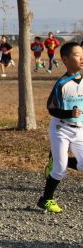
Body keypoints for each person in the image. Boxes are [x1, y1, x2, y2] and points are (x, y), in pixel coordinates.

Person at [37, 42, 82, 213]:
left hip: (79, 130)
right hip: (61, 129)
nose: (82, 58)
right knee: (60, 170)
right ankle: (45, 199)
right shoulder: (62, 84)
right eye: (77, 55)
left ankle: (58, 159)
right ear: (65, 59)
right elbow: (51, 108)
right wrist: (69, 113)